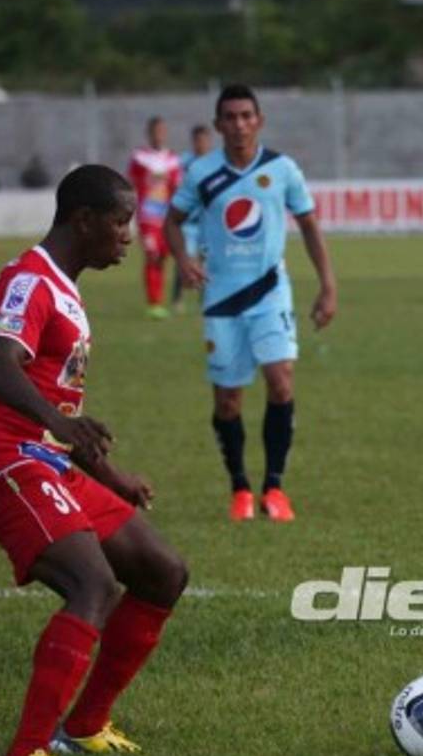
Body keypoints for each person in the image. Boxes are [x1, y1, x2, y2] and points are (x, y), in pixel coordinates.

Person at [0, 165, 189, 756]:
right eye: (119, 223)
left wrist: (111, 475)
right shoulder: (27, 281)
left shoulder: (63, 289)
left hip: (45, 459)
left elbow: (63, 417)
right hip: (0, 461)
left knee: (163, 570)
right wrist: (60, 420)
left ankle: (85, 726)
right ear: (83, 221)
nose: (129, 236)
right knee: (93, 583)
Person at [163, 84, 337, 523]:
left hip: (270, 291)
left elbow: (311, 225)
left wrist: (327, 286)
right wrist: (183, 260)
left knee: (281, 381)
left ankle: (274, 488)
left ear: (258, 121)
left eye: (246, 116)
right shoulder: (203, 173)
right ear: (219, 124)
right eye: (231, 117)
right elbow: (172, 220)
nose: (239, 124)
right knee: (228, 402)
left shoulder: (281, 170)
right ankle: (239, 487)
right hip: (221, 299)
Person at [127, 116, 181, 319]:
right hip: (148, 216)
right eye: (156, 131)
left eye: (162, 130)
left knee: (164, 256)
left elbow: (176, 187)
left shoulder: (172, 159)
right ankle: (154, 303)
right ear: (149, 133)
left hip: (167, 218)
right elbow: (130, 183)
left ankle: (161, 301)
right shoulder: (139, 157)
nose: (159, 134)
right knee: (152, 255)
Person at [171, 124, 215, 313]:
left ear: (209, 142)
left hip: (207, 221)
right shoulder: (183, 163)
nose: (201, 144)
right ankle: (177, 299)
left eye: (204, 140)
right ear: (193, 142)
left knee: (206, 260)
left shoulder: (216, 163)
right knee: (184, 258)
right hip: (188, 221)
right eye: (197, 140)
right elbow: (174, 184)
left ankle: (205, 299)